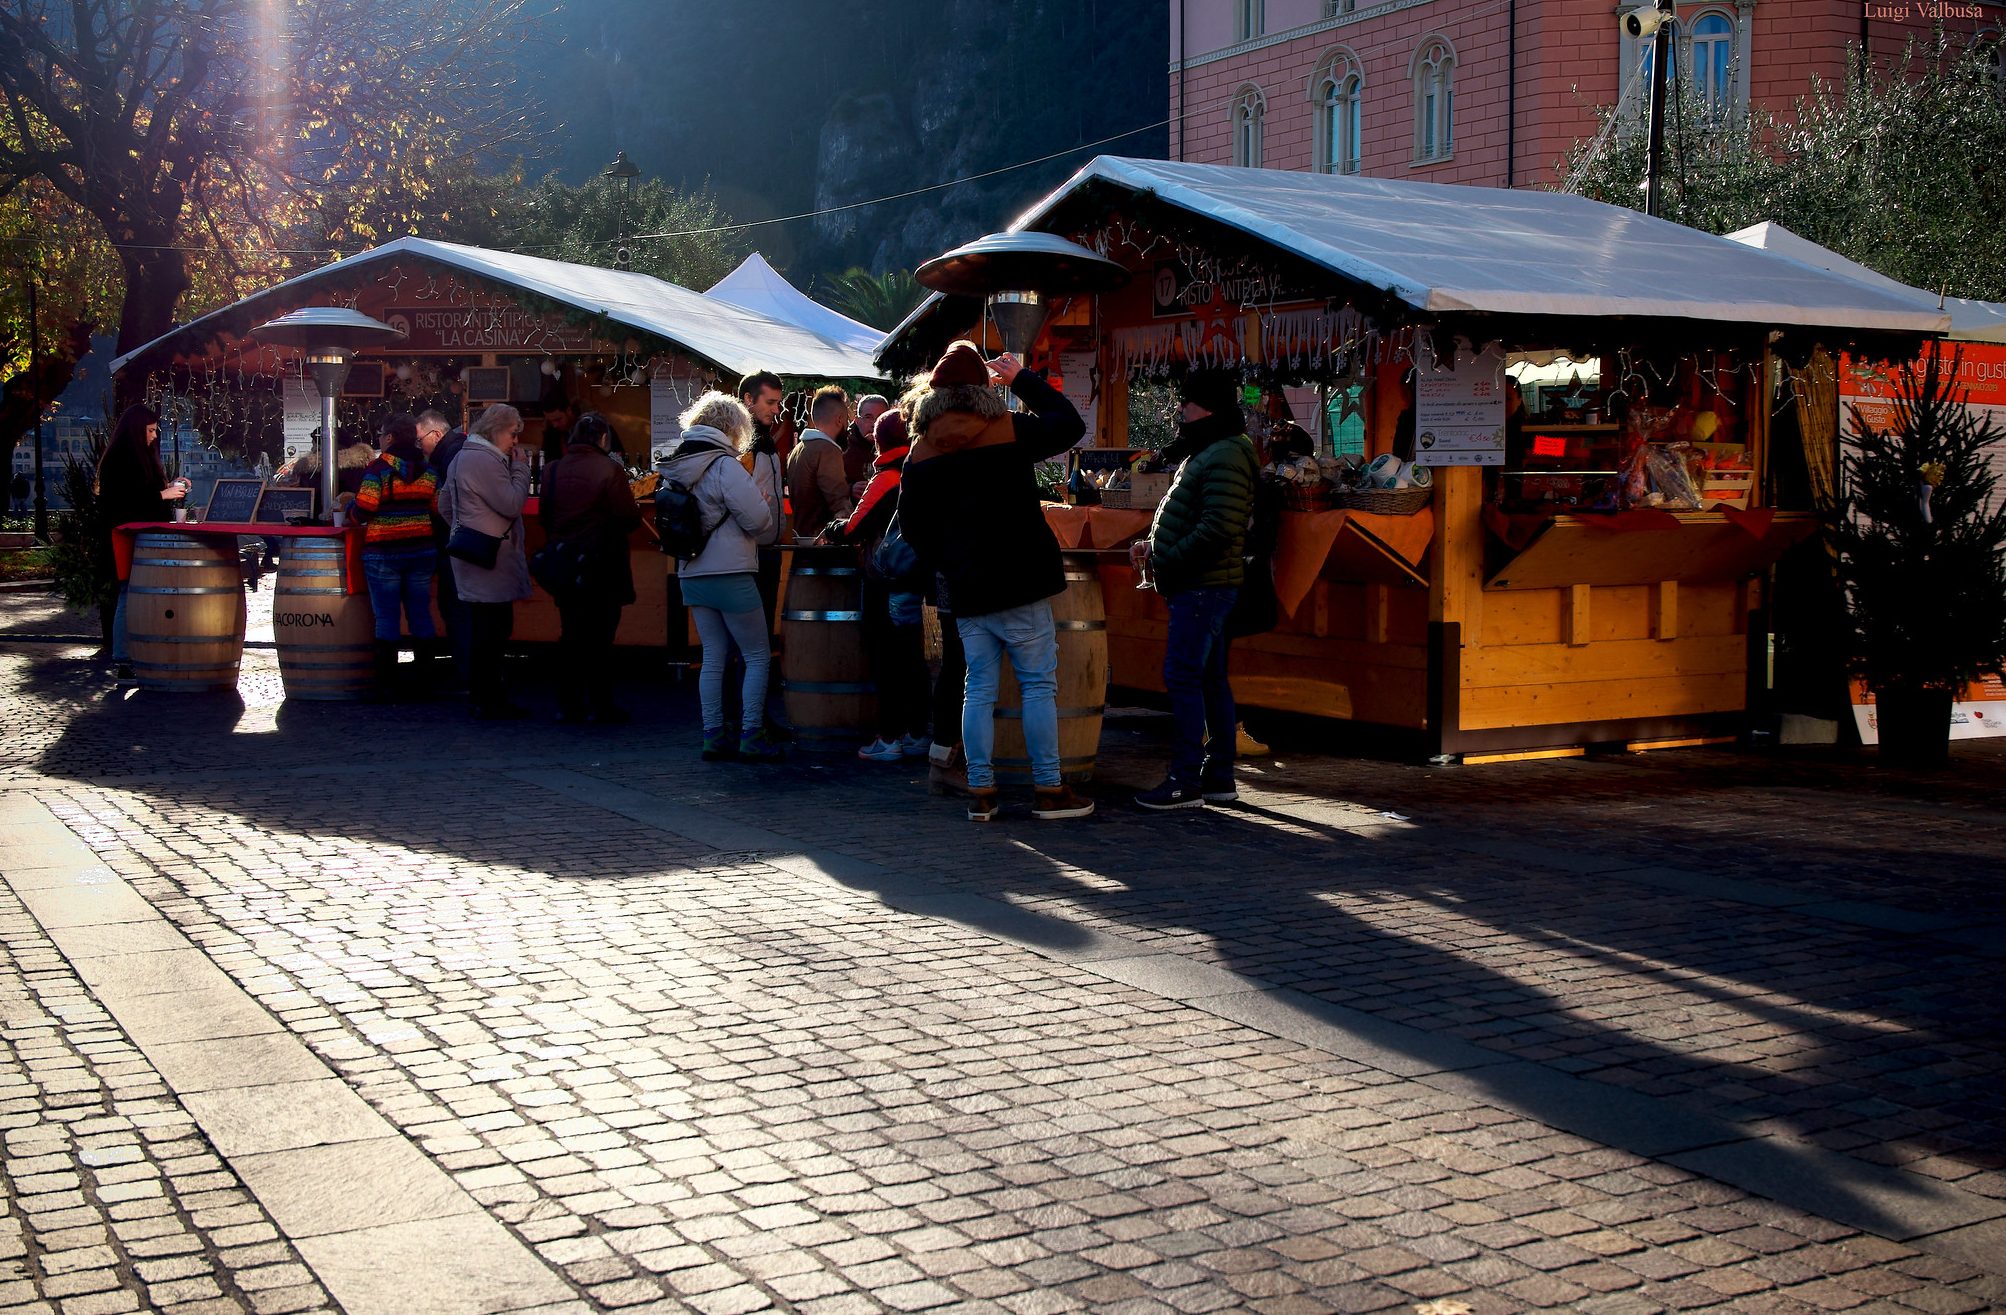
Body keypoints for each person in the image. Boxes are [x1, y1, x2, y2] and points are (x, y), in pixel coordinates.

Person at [898, 342, 1093, 823]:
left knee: (977, 689)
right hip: (1021, 578)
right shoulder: (1008, 428)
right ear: (984, 389)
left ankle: (982, 791)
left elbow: (911, 527)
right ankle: (1049, 788)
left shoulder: (919, 453)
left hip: (966, 587)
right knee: (1037, 686)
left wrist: (950, 560)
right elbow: (1071, 426)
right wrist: (1023, 380)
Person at [1130, 370, 1261, 809]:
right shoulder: (1212, 449)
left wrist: (1168, 556)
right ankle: (1218, 777)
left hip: (1203, 586)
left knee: (1184, 677)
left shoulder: (1224, 453)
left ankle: (1185, 780)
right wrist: (1153, 545)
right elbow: (1198, 516)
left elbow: (1219, 527)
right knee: (1208, 678)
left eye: (1186, 405)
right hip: (1203, 584)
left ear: (1207, 407)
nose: (1179, 412)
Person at [664, 392, 783, 762]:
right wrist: (762, 503)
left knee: (714, 655)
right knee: (757, 655)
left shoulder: (676, 466)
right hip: (731, 571)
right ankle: (751, 734)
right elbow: (758, 522)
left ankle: (712, 734)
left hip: (691, 572)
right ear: (734, 428)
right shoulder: (725, 465)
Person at [823, 409, 929, 762]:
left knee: (889, 658)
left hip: (886, 579)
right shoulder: (920, 470)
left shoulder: (886, 477)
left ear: (881, 441)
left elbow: (855, 527)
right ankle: (917, 733)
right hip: (915, 578)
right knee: (911, 658)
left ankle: (889, 737)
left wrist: (832, 530)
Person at [539, 412, 641, 724]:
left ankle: (568, 702)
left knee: (570, 633)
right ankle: (600, 703)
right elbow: (628, 518)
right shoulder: (610, 469)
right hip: (602, 563)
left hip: (566, 563)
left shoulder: (553, 470)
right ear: (602, 438)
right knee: (600, 637)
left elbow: (545, 516)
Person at [437, 403, 532, 720]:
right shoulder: (486, 460)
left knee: (482, 627)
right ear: (496, 430)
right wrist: (521, 470)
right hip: (491, 557)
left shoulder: (462, 455)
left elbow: (444, 504)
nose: (515, 441)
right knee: (494, 630)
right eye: (513, 433)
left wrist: (463, 528)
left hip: (472, 554)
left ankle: (483, 696)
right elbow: (511, 503)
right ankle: (489, 698)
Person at [349, 413, 439, 700]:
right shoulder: (429, 470)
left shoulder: (378, 469)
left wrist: (349, 511)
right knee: (420, 614)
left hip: (384, 554)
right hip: (422, 551)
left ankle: (387, 683)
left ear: (389, 438)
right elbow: (438, 508)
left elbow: (365, 508)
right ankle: (425, 679)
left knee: (386, 617)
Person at [95, 404, 188, 679]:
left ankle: (133, 656)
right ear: (136, 431)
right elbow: (123, 502)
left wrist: (169, 487)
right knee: (127, 592)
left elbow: (140, 492)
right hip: (126, 536)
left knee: (134, 593)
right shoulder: (121, 459)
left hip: (140, 535)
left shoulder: (134, 456)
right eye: (149, 430)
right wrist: (164, 495)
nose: (154, 436)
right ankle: (124, 658)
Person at [421, 409, 472, 690]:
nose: (420, 446)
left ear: (436, 434)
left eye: (421, 440)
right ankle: (469, 673)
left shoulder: (451, 456)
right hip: (458, 543)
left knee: (456, 608)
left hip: (455, 545)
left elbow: (446, 504)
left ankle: (468, 675)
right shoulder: (453, 452)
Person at [785, 385, 854, 539]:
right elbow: (840, 503)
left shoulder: (799, 448)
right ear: (839, 419)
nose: (848, 426)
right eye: (847, 419)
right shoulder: (827, 450)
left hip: (802, 541)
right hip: (823, 548)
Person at [844, 393, 889, 492]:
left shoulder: (896, 445)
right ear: (857, 421)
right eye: (868, 417)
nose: (874, 423)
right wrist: (850, 489)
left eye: (881, 417)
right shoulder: (843, 446)